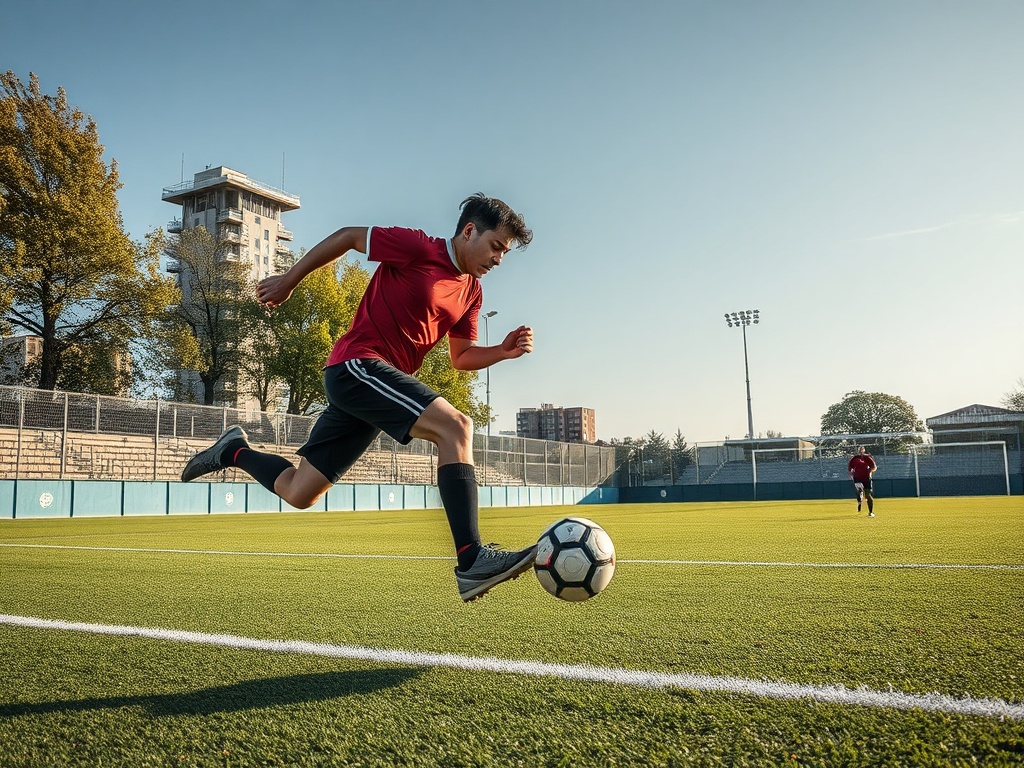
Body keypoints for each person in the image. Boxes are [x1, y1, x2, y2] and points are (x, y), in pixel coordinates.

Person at [181, 193, 537, 601]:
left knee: (299, 492)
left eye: (505, 252)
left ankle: (232, 451)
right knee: (456, 427)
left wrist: (502, 352)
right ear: (469, 231)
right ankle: (471, 559)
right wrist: (288, 280)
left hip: (375, 389)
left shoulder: (472, 292)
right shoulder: (419, 247)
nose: (499, 259)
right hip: (357, 366)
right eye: (496, 246)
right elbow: (349, 236)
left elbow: (461, 357)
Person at [848, 446, 877, 516]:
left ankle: (870, 512)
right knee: (859, 489)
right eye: (859, 449)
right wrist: (851, 474)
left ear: (864, 450)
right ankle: (860, 498)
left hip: (866, 478)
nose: (860, 451)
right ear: (858, 450)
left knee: (868, 495)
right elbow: (850, 468)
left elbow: (874, 467)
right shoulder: (854, 458)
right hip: (857, 478)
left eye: (862, 449)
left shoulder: (867, 458)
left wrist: (870, 471)